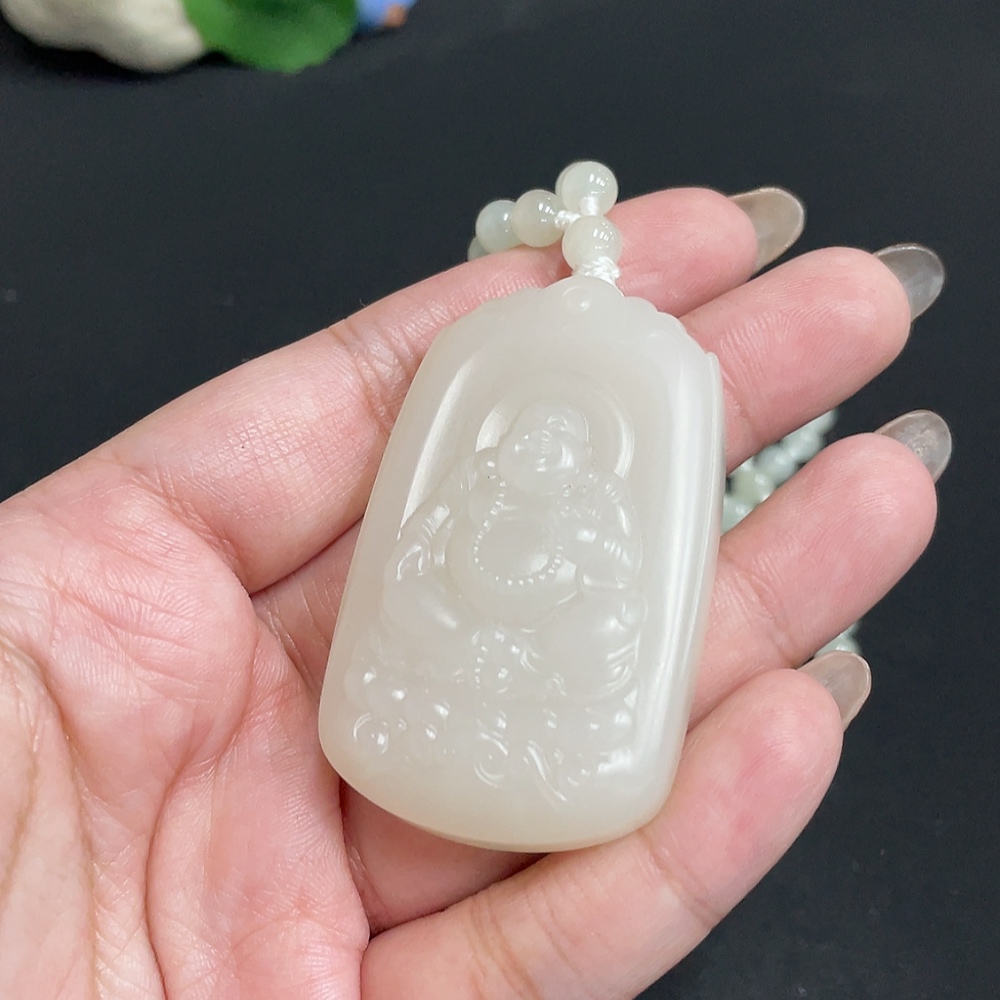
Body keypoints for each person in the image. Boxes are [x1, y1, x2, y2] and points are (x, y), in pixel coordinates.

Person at [0, 185, 946, 998]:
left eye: (561, 442)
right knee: (419, 607)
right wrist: (442, 595)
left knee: (602, 634)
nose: (541, 449)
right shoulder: (478, 482)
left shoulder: (594, 505)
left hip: (549, 647)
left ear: (583, 453)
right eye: (531, 434)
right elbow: (418, 553)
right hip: (453, 630)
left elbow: (617, 587)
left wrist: (576, 588)